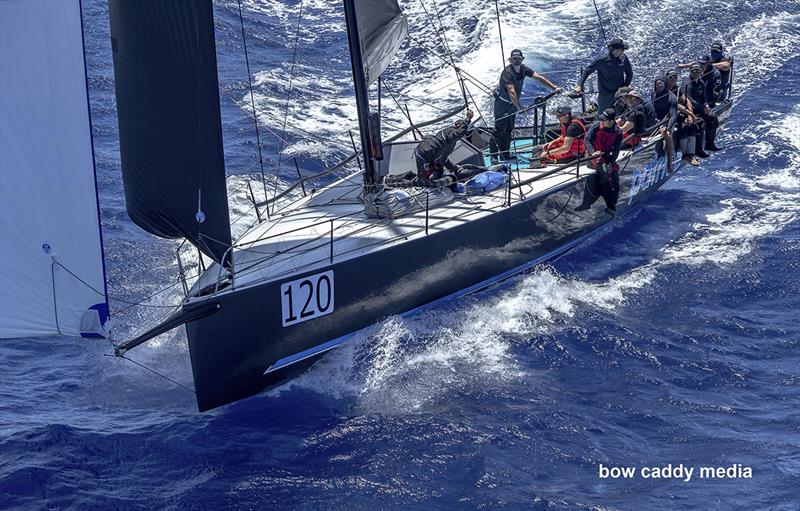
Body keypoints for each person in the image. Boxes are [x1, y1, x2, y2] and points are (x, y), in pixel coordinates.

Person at [490, 49, 562, 163]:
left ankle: (505, 155)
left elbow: (539, 78)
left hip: (512, 104)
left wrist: (554, 88)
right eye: (514, 58)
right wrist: (519, 108)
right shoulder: (507, 72)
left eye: (519, 58)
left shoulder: (524, 69)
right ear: (510, 60)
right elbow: (512, 91)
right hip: (502, 104)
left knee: (509, 130)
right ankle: (493, 156)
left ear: (522, 59)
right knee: (499, 131)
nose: (516, 60)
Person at [576, 108, 623, 213]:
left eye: (604, 119)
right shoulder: (596, 126)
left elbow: (616, 150)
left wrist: (611, 162)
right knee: (604, 172)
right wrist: (593, 152)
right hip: (593, 155)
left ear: (611, 121)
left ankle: (613, 205)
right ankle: (599, 203)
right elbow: (586, 140)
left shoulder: (618, 132)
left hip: (606, 156)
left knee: (615, 177)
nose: (602, 121)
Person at [574, 38, 633, 113]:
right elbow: (587, 71)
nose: (623, 51)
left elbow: (629, 74)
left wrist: (624, 88)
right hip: (605, 95)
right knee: (603, 115)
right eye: (622, 49)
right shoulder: (602, 60)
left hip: (619, 94)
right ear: (616, 50)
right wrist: (580, 85)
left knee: (620, 114)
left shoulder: (624, 58)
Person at [681, 62, 720, 154]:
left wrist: (706, 104)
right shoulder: (687, 84)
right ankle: (698, 150)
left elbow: (704, 97)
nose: (696, 73)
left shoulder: (701, 82)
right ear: (690, 72)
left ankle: (709, 144)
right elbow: (690, 100)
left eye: (698, 71)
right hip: (690, 110)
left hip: (700, 108)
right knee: (700, 123)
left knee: (713, 118)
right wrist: (702, 107)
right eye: (693, 71)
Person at [651, 76, 677, 157]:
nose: (659, 85)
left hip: (667, 119)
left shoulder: (672, 98)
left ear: (665, 84)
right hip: (657, 120)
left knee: (665, 133)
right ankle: (658, 152)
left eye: (661, 83)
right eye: (657, 84)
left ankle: (670, 152)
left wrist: (668, 128)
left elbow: (673, 115)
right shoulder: (653, 94)